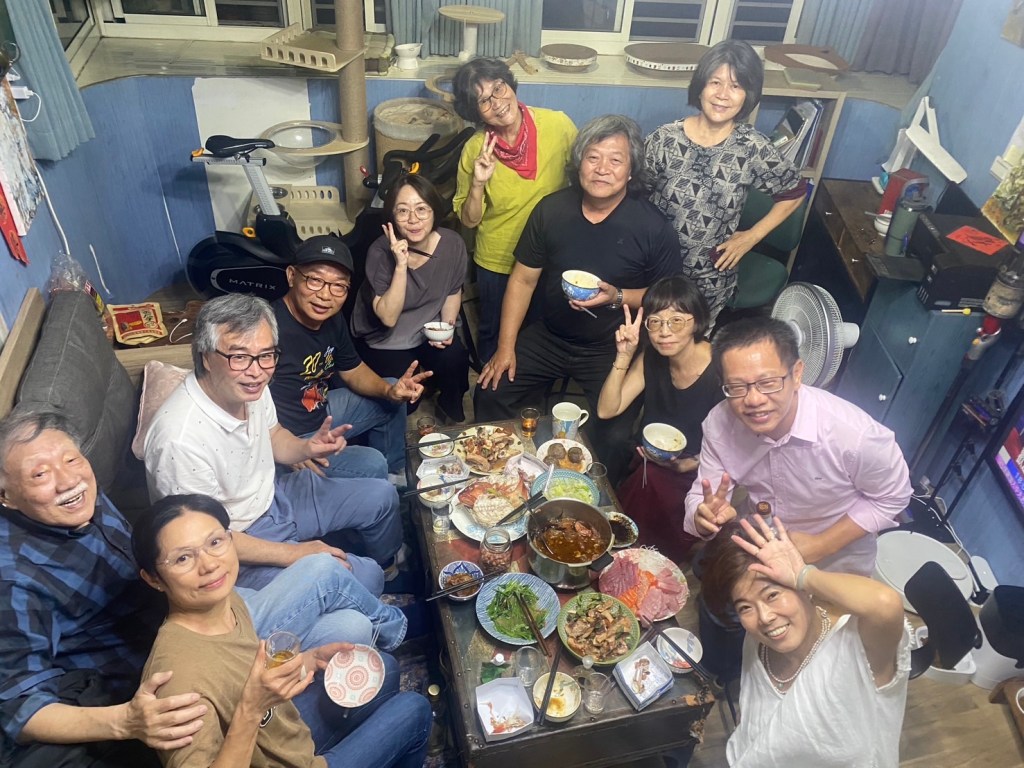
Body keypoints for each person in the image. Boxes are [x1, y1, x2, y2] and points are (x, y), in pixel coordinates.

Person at [0, 410, 404, 768]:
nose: (67, 479)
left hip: (201, 612)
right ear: (6, 496)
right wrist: (127, 721)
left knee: (352, 612)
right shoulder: (13, 577)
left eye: (71, 459)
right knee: (327, 574)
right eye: (40, 474)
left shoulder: (80, 499)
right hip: (178, 659)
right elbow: (18, 709)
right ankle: (403, 626)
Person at [134, 494, 430, 768]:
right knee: (415, 710)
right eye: (183, 558)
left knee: (385, 669)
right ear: (153, 579)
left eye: (215, 542)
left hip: (277, 731)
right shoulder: (175, 682)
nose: (209, 565)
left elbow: (239, 679)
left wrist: (308, 660)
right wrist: (251, 709)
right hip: (269, 745)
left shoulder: (224, 601)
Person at [143, 293, 406, 592]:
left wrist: (307, 448)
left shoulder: (250, 385)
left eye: (266, 355)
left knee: (383, 496)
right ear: (206, 356)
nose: (256, 371)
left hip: (274, 496)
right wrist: (295, 553)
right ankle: (373, 593)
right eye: (239, 356)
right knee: (363, 577)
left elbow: (274, 434)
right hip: (236, 538)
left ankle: (390, 572)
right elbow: (207, 541)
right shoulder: (177, 441)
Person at [474, 114, 680, 481]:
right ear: (579, 163)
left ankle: (592, 495)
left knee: (614, 435)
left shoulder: (652, 226)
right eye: (592, 157)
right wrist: (505, 348)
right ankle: (502, 478)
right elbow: (522, 280)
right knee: (490, 391)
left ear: (631, 171)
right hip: (549, 334)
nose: (602, 169)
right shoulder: (552, 210)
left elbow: (667, 297)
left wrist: (617, 296)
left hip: (613, 347)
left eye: (615, 160)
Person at [684, 317, 912, 576]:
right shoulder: (720, 424)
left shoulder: (854, 436)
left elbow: (893, 496)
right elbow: (704, 497)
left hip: (835, 559)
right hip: (761, 541)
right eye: (737, 387)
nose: (754, 400)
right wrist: (704, 517)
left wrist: (822, 545)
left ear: (797, 374)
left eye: (768, 383)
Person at [701, 516, 909, 767]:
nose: (764, 617)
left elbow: (885, 604)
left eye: (772, 594)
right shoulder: (758, 641)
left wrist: (805, 574)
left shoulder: (854, 650)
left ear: (802, 589)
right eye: (745, 607)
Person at [645, 39, 807, 324]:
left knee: (692, 347)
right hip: (655, 271)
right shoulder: (664, 139)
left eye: (736, 86)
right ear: (700, 86)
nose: (722, 95)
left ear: (748, 95)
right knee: (651, 339)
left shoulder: (752, 147)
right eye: (715, 82)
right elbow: (634, 196)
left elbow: (794, 190)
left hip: (708, 279)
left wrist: (751, 236)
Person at [270, 234, 429, 482]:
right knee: (371, 463)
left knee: (391, 391)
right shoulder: (266, 330)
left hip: (321, 410)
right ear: (292, 276)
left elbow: (352, 370)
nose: (325, 295)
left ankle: (395, 476)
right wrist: (285, 447)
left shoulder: (331, 318)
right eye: (315, 280)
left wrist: (389, 391)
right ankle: (378, 483)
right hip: (289, 436)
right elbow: (237, 405)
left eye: (338, 286)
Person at [452, 56, 577, 362]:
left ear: (509, 83)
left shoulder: (558, 125)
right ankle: (491, 390)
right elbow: (469, 221)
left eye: (498, 88)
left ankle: (530, 391)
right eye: (483, 101)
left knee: (540, 335)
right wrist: (478, 183)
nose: (497, 103)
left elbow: (582, 181)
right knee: (495, 337)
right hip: (498, 261)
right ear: (474, 111)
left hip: (550, 256)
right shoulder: (475, 149)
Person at [597, 276, 722, 563]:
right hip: (650, 460)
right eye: (654, 322)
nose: (664, 332)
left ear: (697, 321)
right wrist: (624, 355)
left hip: (698, 469)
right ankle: (626, 557)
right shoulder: (652, 357)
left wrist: (693, 462)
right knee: (642, 486)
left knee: (647, 514)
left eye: (676, 321)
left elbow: (738, 442)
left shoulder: (721, 369)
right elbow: (607, 409)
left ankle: (649, 558)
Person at [351, 174, 470, 423]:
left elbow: (452, 290)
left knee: (455, 357)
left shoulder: (452, 244)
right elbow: (388, 317)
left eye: (421, 209)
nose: (413, 219)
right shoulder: (379, 251)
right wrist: (400, 265)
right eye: (403, 211)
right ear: (392, 217)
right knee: (403, 402)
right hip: (387, 337)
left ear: (434, 211)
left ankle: (449, 404)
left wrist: (446, 328)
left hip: (427, 326)